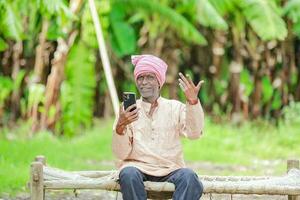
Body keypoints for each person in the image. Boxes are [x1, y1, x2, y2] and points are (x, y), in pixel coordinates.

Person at [112, 54, 205, 200]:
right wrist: (120, 126)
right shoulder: (127, 110)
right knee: (128, 174)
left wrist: (193, 102)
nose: (144, 82)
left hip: (170, 168)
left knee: (190, 178)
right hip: (137, 168)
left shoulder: (175, 108)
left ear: (159, 81)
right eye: (140, 78)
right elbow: (120, 154)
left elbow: (194, 134)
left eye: (150, 77)